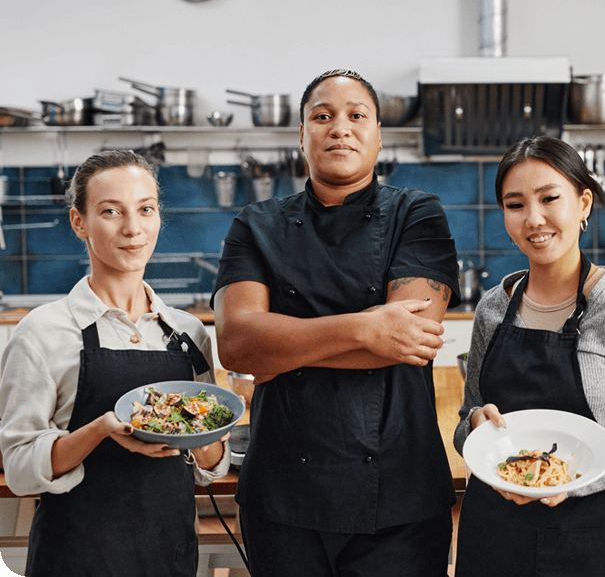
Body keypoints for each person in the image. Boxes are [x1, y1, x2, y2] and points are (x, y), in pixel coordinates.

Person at [212, 68, 461, 576]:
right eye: (321, 116)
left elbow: (408, 339)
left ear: (377, 136)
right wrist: (363, 328)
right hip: (283, 496)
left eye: (356, 116)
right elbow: (238, 346)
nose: (339, 127)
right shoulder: (254, 225)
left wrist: (281, 342)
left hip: (400, 493)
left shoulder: (419, 214)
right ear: (302, 136)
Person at [0, 149, 230, 577]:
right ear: (79, 222)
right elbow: (18, 470)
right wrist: (102, 429)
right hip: (75, 559)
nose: (132, 229)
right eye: (111, 211)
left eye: (146, 209)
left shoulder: (187, 334)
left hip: (169, 556)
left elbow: (210, 467)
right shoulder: (42, 332)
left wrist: (203, 429)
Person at [453, 136, 605, 576]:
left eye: (550, 198)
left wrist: (572, 483)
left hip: (581, 537)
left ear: (584, 202)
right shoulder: (493, 308)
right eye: (515, 205)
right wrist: (474, 424)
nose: (534, 219)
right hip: (490, 532)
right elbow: (466, 420)